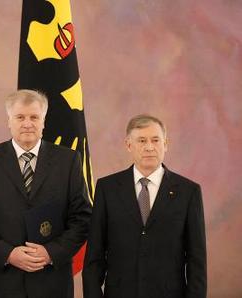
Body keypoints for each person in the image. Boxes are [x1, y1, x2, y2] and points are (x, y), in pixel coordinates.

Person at [0, 89, 91, 298]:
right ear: (9, 121)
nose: (27, 123)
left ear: (44, 121)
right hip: (1, 281)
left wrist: (51, 253)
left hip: (51, 281)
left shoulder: (68, 160)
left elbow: (82, 218)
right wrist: (8, 254)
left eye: (34, 117)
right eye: (20, 117)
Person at [82, 114, 207, 298]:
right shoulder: (107, 189)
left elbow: (197, 261)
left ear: (166, 144)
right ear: (128, 145)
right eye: (141, 140)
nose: (149, 147)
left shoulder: (189, 192)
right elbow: (94, 256)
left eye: (155, 140)